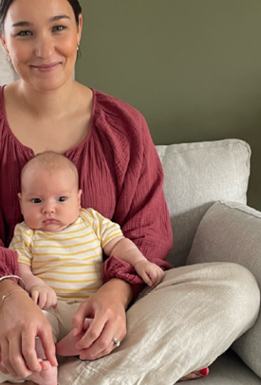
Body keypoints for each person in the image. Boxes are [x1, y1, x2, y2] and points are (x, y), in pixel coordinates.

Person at [0, 0, 260, 385]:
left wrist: (116, 294)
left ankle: (26, 375)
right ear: (2, 39)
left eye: (58, 28)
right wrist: (11, 298)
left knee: (236, 288)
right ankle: (101, 373)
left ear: (79, 28)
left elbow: (146, 229)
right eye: (24, 33)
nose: (44, 49)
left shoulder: (125, 126)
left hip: (110, 314)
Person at [10, 152, 165, 384]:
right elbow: (19, 266)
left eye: (61, 199)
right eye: (36, 201)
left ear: (78, 199)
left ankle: (74, 346)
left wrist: (140, 261)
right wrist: (34, 283)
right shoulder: (25, 233)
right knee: (36, 328)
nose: (49, 209)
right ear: (21, 202)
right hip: (51, 307)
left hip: (91, 306)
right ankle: (45, 367)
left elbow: (119, 243)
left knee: (107, 327)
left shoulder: (91, 220)